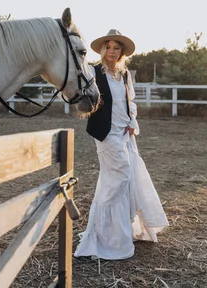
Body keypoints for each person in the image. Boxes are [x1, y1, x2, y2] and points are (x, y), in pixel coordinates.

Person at [74, 29, 168, 260]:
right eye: (109, 47)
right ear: (103, 49)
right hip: (106, 134)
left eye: (117, 48)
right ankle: (108, 235)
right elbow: (83, 98)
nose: (112, 51)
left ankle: (116, 231)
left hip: (125, 132)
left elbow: (129, 101)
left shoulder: (124, 74)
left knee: (121, 179)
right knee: (121, 176)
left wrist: (131, 121)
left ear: (121, 52)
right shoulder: (93, 72)